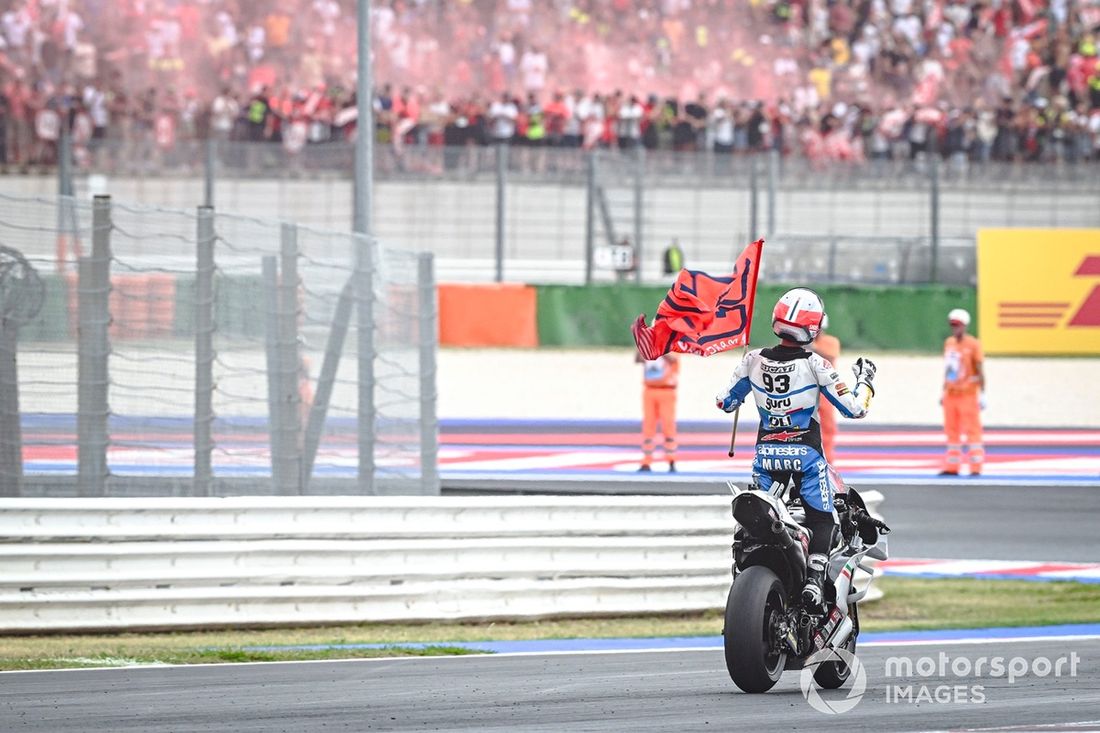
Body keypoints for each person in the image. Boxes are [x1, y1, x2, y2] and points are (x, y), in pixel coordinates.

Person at [716, 288, 876, 606]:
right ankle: (815, 580)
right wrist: (866, 381)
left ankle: (744, 575)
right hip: (806, 458)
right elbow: (856, 409)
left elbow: (724, 401)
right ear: (812, 327)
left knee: (755, 522)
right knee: (824, 519)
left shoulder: (753, 359)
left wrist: (746, 377)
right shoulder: (817, 364)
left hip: (766, 458)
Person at [940, 308, 985, 476]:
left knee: (972, 430)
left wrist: (983, 393)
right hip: (951, 393)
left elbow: (980, 369)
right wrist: (943, 390)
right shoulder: (949, 343)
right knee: (952, 430)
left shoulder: (973, 344)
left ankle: (976, 466)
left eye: (958, 325)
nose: (955, 328)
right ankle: (953, 465)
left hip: (968, 393)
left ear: (964, 326)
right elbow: (947, 369)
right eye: (953, 325)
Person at [638, 351, 679, 473]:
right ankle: (647, 460)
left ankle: (671, 460)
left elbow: (673, 359)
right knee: (648, 425)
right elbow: (638, 359)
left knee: (668, 425)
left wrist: (658, 348)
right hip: (649, 389)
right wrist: (641, 345)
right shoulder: (649, 347)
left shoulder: (671, 347)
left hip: (667, 389)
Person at [810, 313, 841, 465]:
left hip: (826, 391)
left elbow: (829, 356)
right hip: (807, 390)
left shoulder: (830, 342)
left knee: (828, 427)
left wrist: (811, 347)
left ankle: (828, 461)